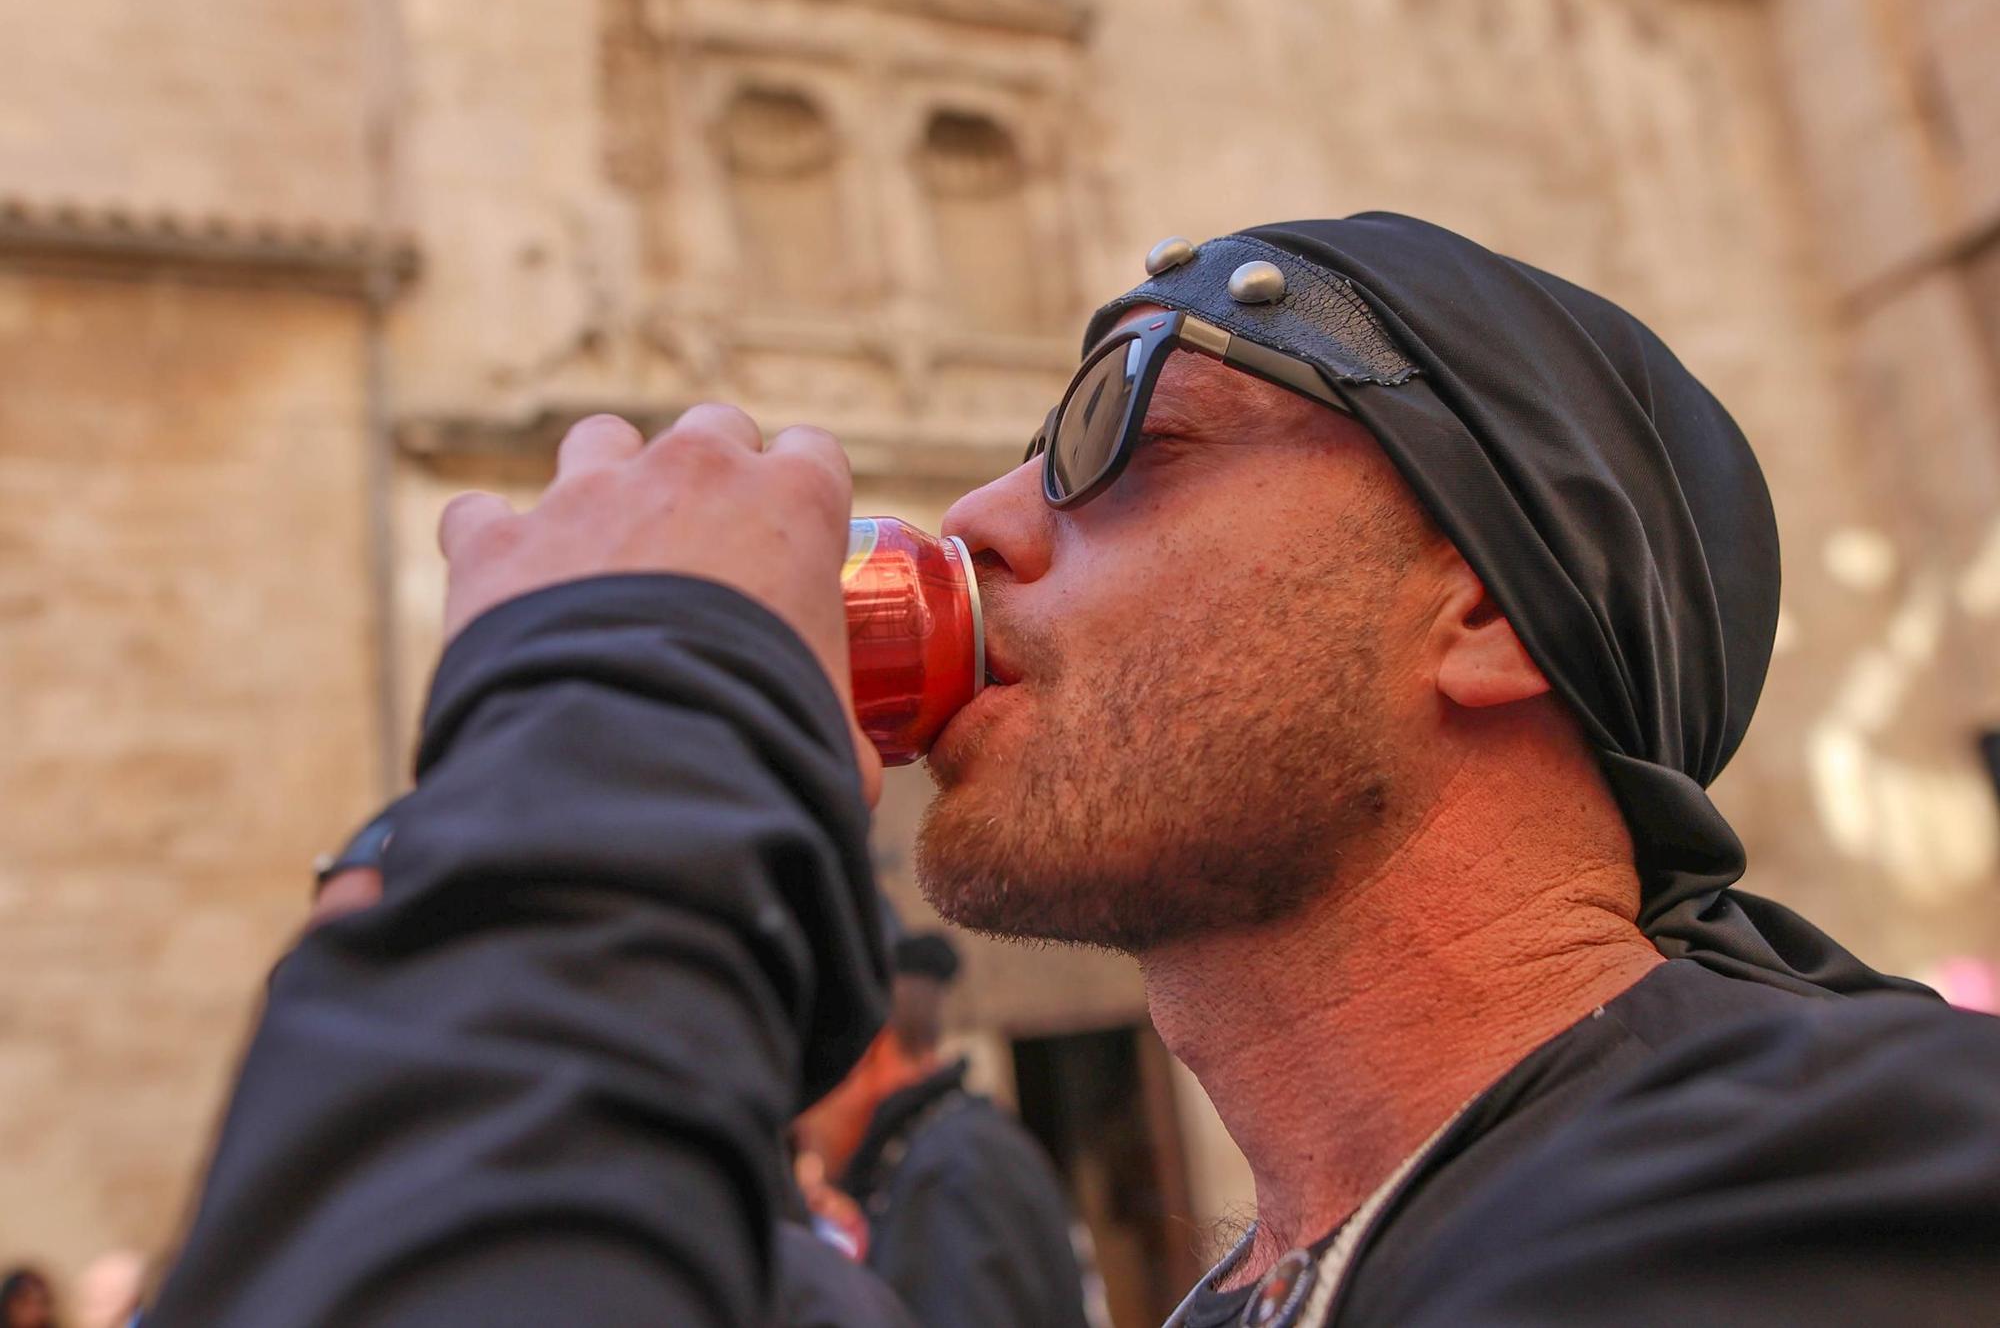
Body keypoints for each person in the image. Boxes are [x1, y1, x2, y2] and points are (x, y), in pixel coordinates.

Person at [144, 214, 2000, 1327]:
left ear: (1487, 616)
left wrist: (618, 716)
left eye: (1130, 429)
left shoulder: (1843, 1178)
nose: (976, 518)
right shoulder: (1343, 1254)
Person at [795, 932, 1089, 1328]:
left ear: (868, 1049)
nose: (799, 1116)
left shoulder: (949, 1172)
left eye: (807, 1073)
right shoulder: (940, 1152)